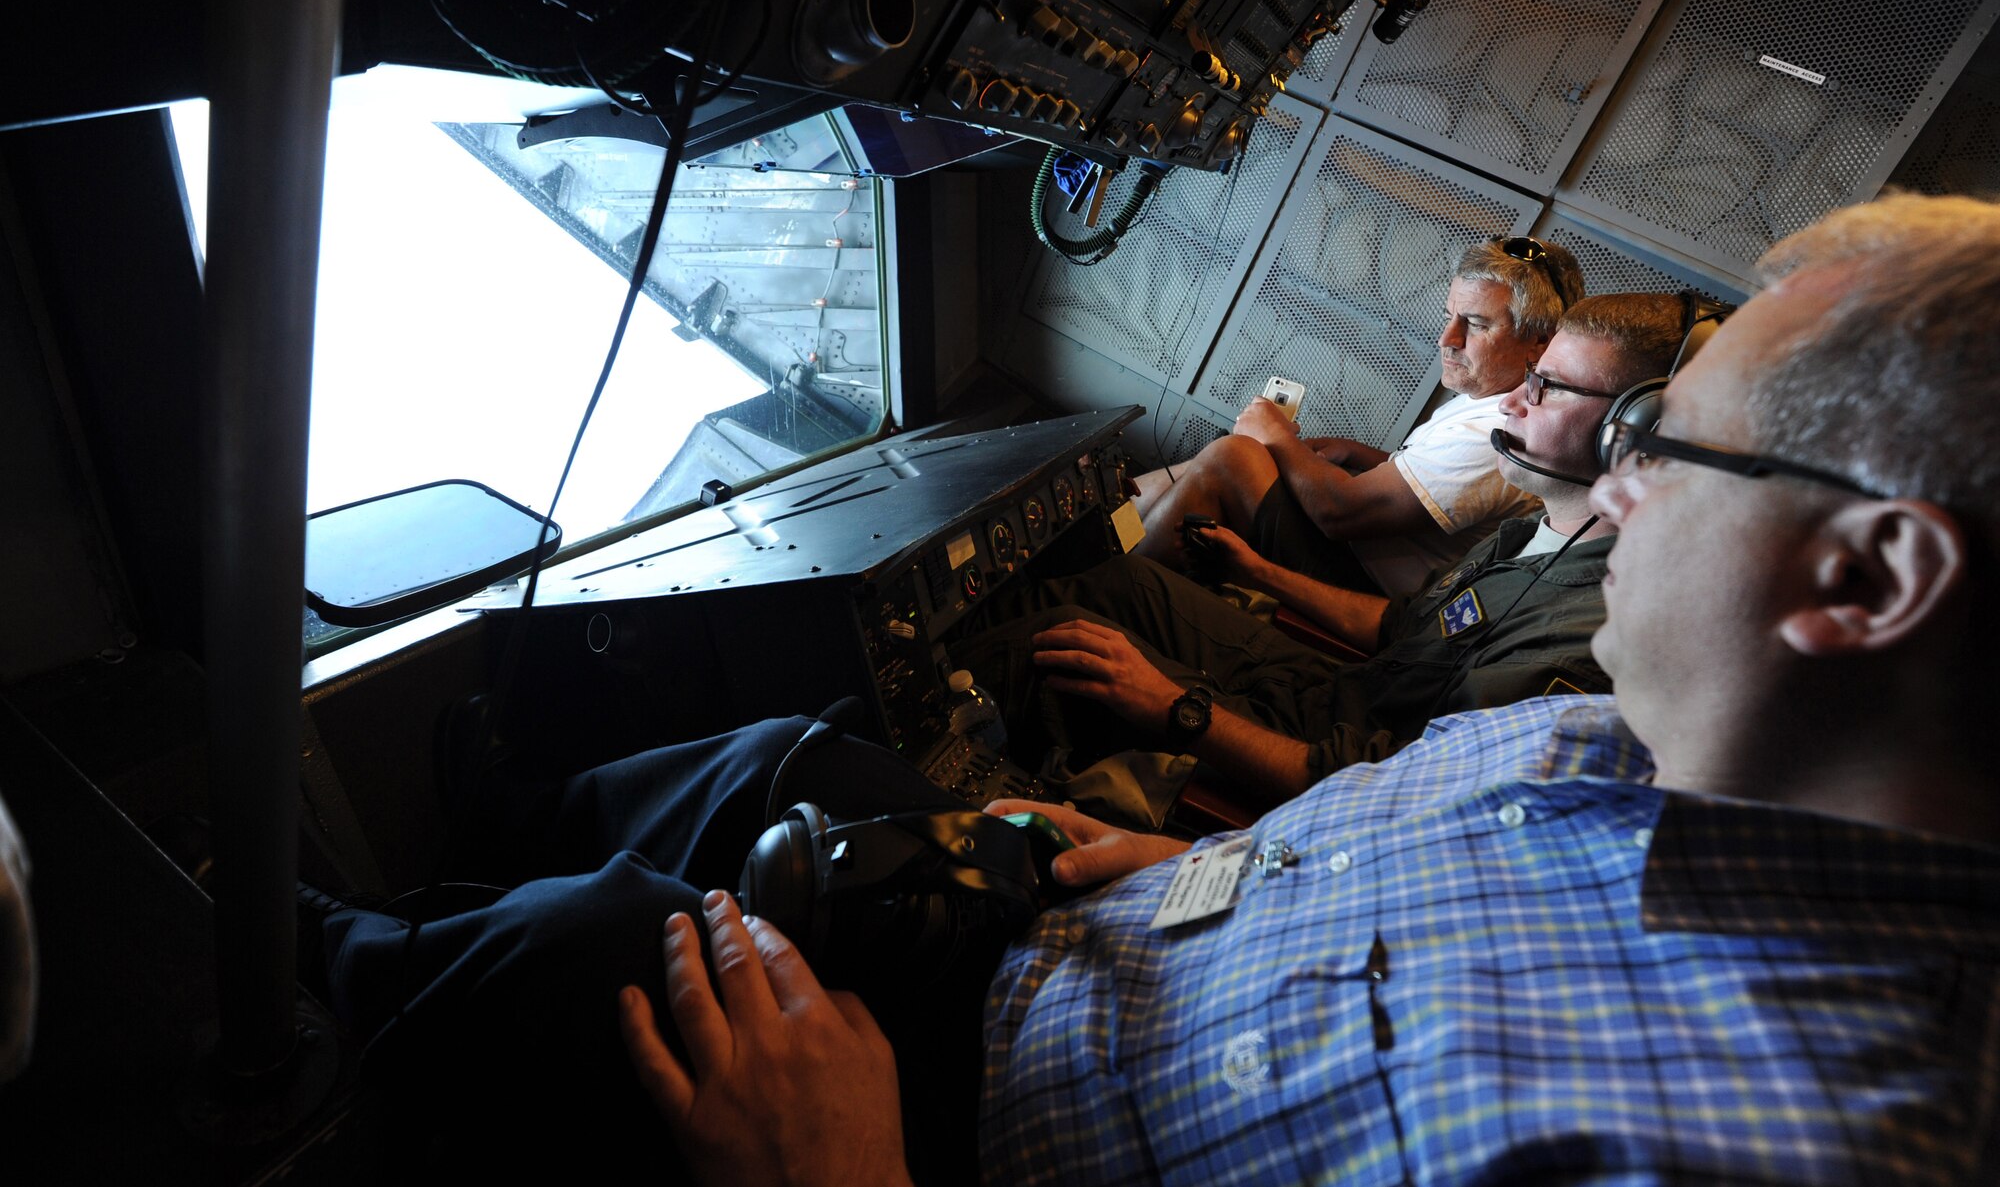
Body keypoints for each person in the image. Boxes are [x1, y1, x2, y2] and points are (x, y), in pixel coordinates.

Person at [322, 192, 2000, 1186]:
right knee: (780, 760)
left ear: (1865, 580)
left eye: (1667, 442)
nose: (1618, 487)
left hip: (966, 1129)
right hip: (1078, 941)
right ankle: (460, 869)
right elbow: (1349, 853)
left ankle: (300, 993)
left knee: (617, 951)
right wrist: (1178, 865)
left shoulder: (1805, 1140)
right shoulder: (1591, 742)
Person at [949, 291, 1689, 808]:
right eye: (1529, 379)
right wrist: (1260, 571)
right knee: (1122, 584)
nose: (1517, 402)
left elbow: (1391, 791)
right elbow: (1399, 625)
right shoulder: (1536, 533)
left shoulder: (1580, 643)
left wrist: (1175, 707)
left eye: (1548, 387)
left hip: (1323, 752)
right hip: (1336, 688)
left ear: (1634, 434)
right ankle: (946, 656)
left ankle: (928, 718)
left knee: (1058, 648)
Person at [1132, 236, 1583, 596]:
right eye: (1449, 316)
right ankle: (1120, 527)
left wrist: (1276, 437)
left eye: (1477, 325)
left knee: (1234, 457)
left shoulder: (1500, 429)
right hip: (1358, 553)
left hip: (1363, 584)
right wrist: (1359, 454)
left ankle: (1119, 581)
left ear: (1540, 341)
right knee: (1240, 458)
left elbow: (1341, 513)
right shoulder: (1494, 395)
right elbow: (1433, 480)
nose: (1447, 339)